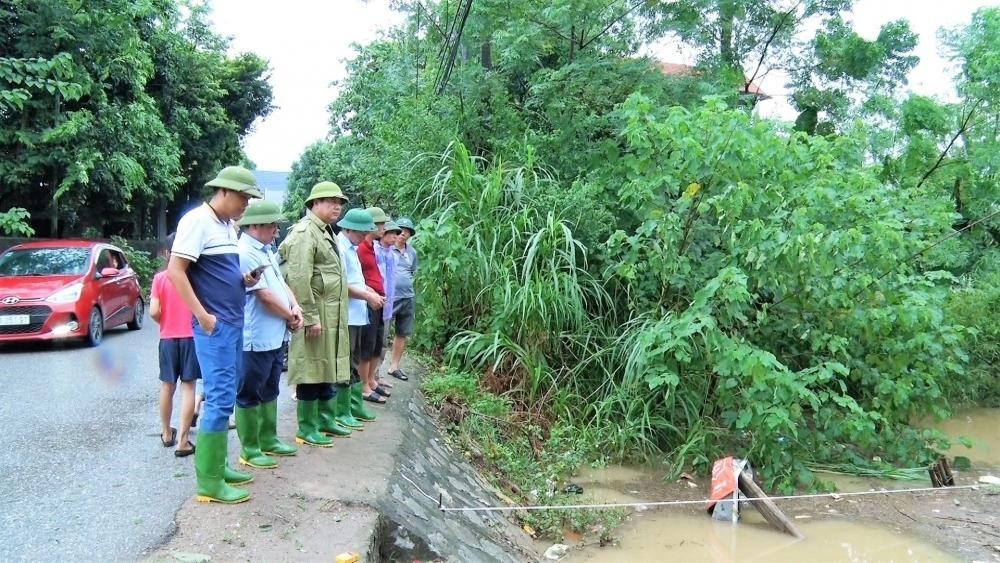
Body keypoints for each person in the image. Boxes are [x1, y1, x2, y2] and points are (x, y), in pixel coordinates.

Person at [167, 165, 263, 505]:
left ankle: (220, 466)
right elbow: (175, 271)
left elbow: (222, 273)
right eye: (243, 197)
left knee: (226, 394)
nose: (246, 204)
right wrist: (203, 316)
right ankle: (209, 482)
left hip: (234, 323)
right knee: (220, 399)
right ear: (223, 191)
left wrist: (245, 280)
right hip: (216, 327)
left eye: (250, 199)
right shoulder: (196, 221)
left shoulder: (227, 227)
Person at [279, 182, 357, 446]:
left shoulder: (324, 231)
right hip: (316, 313)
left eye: (340, 202)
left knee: (326, 367)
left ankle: (325, 419)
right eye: (331, 201)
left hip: (331, 313)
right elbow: (299, 278)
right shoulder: (304, 232)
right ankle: (307, 427)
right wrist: (310, 316)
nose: (337, 206)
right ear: (314, 203)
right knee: (310, 369)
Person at [235, 200, 303, 468]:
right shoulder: (245, 252)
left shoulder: (265, 250)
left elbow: (281, 285)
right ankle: (249, 448)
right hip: (257, 336)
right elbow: (263, 295)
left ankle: (268, 438)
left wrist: (294, 306)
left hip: (275, 335)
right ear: (254, 225)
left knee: (270, 387)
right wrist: (289, 316)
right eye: (272, 224)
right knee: (249, 391)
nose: (277, 229)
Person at [150, 234, 199, 457]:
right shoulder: (195, 278)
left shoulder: (160, 278)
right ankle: (183, 440)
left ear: (167, 253)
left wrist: (166, 322)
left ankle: (166, 433)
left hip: (168, 338)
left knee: (167, 386)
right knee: (188, 387)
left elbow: (153, 311)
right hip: (191, 337)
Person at [336, 208, 384, 420]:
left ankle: (353, 407)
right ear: (349, 229)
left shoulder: (352, 247)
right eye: (361, 233)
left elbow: (356, 279)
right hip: (346, 314)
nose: (364, 237)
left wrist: (369, 291)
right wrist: (367, 296)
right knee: (346, 363)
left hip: (357, 313)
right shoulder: (339, 247)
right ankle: (342, 409)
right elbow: (341, 284)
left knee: (355, 361)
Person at [387, 217, 418, 381]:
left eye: (407, 231)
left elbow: (413, 271)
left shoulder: (412, 252)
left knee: (402, 333)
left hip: (408, 296)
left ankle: (394, 367)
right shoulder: (386, 248)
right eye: (399, 230)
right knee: (383, 331)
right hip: (389, 297)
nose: (403, 233)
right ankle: (374, 372)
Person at [374, 220, 401, 390]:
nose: (394, 237)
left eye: (395, 234)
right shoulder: (374, 250)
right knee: (372, 343)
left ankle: (376, 375)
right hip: (375, 302)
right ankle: (367, 379)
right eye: (391, 233)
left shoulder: (393, 254)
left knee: (383, 342)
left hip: (388, 305)